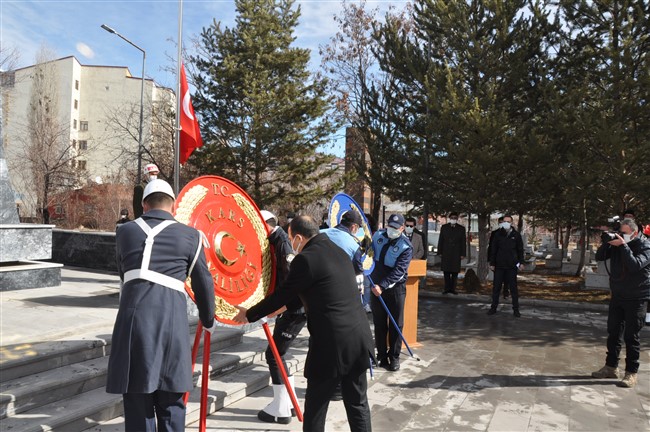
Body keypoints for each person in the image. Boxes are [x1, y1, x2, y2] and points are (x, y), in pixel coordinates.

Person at [233, 216, 374, 432]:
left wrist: (250, 314)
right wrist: (268, 314)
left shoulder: (306, 259)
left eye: (291, 239)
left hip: (331, 345)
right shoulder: (338, 251)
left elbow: (282, 295)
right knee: (357, 404)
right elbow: (297, 298)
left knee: (316, 406)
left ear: (298, 237)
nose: (291, 245)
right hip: (359, 338)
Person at [106, 179, 217, 432]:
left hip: (133, 320)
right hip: (171, 321)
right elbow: (204, 284)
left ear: (144, 205)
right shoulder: (191, 236)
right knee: (171, 402)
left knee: (137, 401)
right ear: (173, 206)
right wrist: (208, 319)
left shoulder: (125, 231)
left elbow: (124, 272)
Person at [256, 210, 307, 424]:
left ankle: (281, 408)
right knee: (278, 355)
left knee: (274, 355)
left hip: (294, 311)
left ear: (266, 224)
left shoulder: (283, 245)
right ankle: (289, 402)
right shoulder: (275, 241)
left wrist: (275, 310)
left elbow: (292, 287)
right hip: (291, 310)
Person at [591, 218, 650, 388]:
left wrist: (624, 246)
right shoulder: (617, 244)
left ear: (634, 232)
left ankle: (631, 372)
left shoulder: (645, 246)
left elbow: (634, 265)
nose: (621, 235)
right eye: (620, 232)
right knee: (613, 332)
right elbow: (600, 257)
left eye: (624, 232)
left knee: (632, 336)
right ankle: (610, 367)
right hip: (618, 295)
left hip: (637, 297)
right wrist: (607, 243)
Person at [369, 213, 413, 372]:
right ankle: (381, 355)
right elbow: (369, 253)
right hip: (375, 287)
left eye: (395, 228)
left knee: (396, 324)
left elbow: (400, 271)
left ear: (402, 228)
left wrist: (383, 285)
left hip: (395, 289)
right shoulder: (378, 236)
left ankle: (394, 356)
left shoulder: (406, 246)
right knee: (379, 323)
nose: (391, 230)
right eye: (389, 226)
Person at [487, 215, 524, 317]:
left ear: (512, 223)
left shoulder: (516, 235)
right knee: (496, 288)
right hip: (499, 266)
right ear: (502, 222)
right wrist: (492, 263)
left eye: (508, 221)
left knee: (513, 289)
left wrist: (521, 262)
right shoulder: (497, 235)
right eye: (505, 221)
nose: (506, 223)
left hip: (512, 266)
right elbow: (493, 250)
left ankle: (516, 309)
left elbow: (520, 250)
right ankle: (493, 308)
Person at [437, 212, 466, 295]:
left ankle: (453, 288)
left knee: (454, 272)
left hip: (456, 252)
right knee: (446, 271)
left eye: (455, 218)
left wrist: (463, 253)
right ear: (449, 218)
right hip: (446, 252)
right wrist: (440, 251)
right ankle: (446, 288)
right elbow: (441, 240)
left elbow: (463, 242)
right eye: (452, 217)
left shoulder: (461, 228)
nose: (453, 219)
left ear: (457, 219)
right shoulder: (444, 227)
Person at [488, 216, 510, 299]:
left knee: (507, 278)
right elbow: (491, 247)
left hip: (508, 259)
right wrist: (490, 260)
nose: (501, 224)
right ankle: (495, 294)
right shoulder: (495, 233)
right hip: (497, 259)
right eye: (500, 222)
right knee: (497, 279)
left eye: (503, 222)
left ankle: (506, 292)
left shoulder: (511, 232)